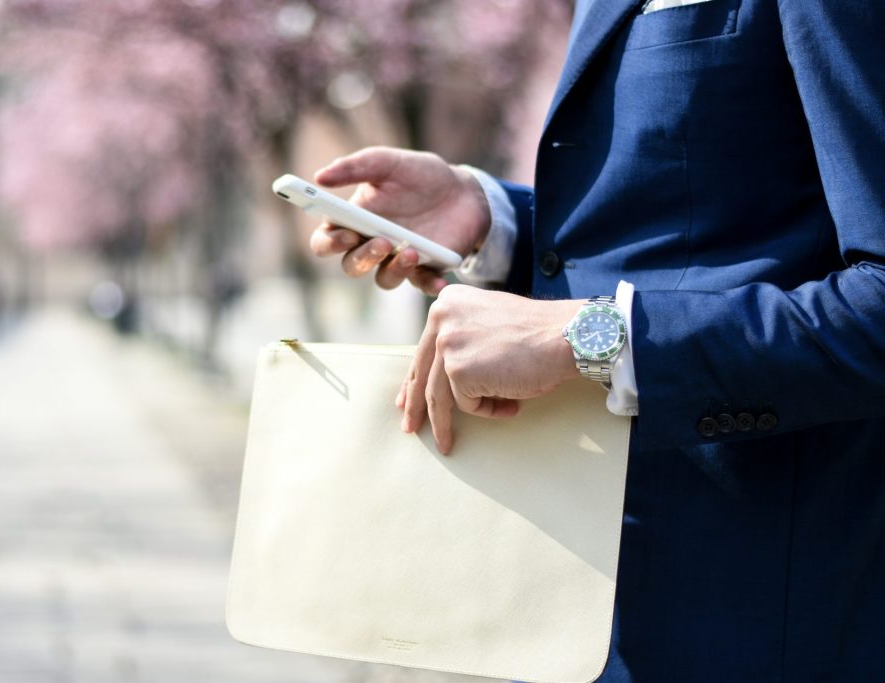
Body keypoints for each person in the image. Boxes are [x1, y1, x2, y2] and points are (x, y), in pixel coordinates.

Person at [308, 0, 885, 680]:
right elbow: (694, 226)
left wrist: (588, 336)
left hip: (753, 617)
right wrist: (497, 222)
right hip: (580, 604)